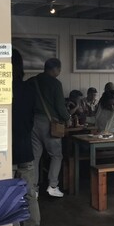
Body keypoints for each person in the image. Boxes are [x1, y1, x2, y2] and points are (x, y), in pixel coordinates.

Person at [11, 49, 40, 226]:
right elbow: (30, 120)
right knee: (30, 193)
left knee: (11, 194)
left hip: (6, 153)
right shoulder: (29, 89)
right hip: (26, 149)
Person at [30, 58, 70, 198]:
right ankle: (52, 186)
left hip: (33, 122)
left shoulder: (32, 81)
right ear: (55, 69)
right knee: (56, 155)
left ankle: (33, 189)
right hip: (49, 123)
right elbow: (60, 106)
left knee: (35, 157)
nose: (59, 72)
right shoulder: (55, 84)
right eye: (59, 69)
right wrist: (67, 118)